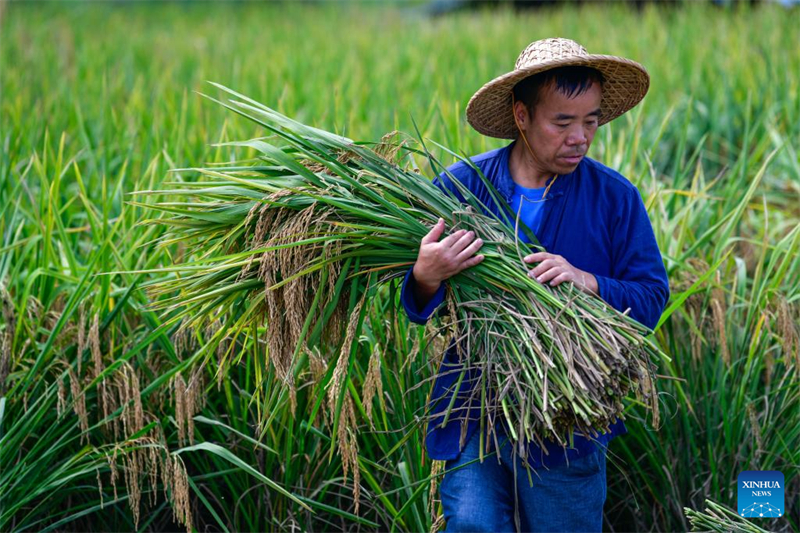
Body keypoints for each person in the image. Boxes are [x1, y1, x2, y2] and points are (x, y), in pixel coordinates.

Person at [400, 38, 670, 532]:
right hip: (474, 403)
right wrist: (425, 274)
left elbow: (652, 298)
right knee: (473, 524)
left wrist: (588, 281)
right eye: (562, 122)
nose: (580, 137)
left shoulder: (615, 199)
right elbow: (416, 305)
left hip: (566, 414)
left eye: (590, 121)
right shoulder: (463, 188)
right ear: (522, 116)